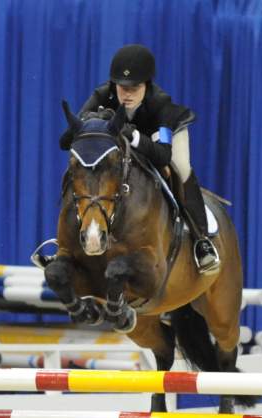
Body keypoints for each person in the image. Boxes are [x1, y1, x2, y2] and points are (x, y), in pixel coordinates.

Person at [60, 44, 220, 274]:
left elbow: (163, 155)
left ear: (147, 85)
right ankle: (65, 243)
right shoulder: (102, 95)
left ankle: (201, 240)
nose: (126, 94)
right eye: (121, 87)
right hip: (125, 142)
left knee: (181, 168)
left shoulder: (160, 104)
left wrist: (133, 135)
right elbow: (66, 142)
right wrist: (87, 125)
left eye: (134, 87)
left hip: (163, 136)